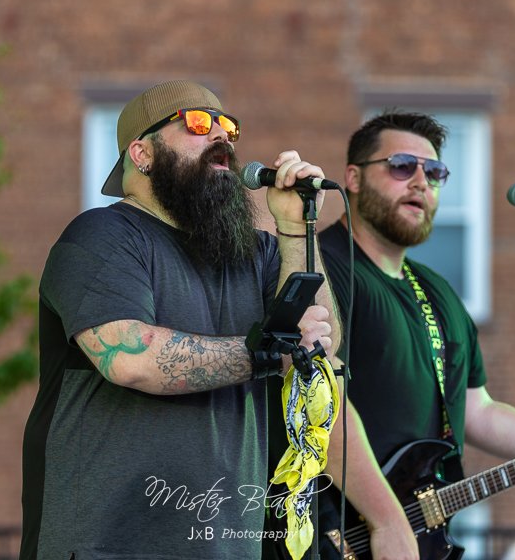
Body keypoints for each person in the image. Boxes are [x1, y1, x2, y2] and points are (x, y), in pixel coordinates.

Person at [18, 79, 342, 560]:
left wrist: (295, 229)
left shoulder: (256, 252)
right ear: (142, 153)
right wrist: (265, 354)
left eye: (228, 127)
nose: (221, 136)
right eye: (198, 123)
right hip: (108, 545)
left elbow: (317, 344)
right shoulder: (102, 236)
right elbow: (131, 360)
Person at [316, 111, 515, 559]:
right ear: (353, 177)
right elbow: (318, 402)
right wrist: (386, 519)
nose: (421, 182)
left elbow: (477, 410)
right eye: (402, 166)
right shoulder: (323, 267)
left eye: (435, 172)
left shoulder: (438, 293)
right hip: (333, 531)